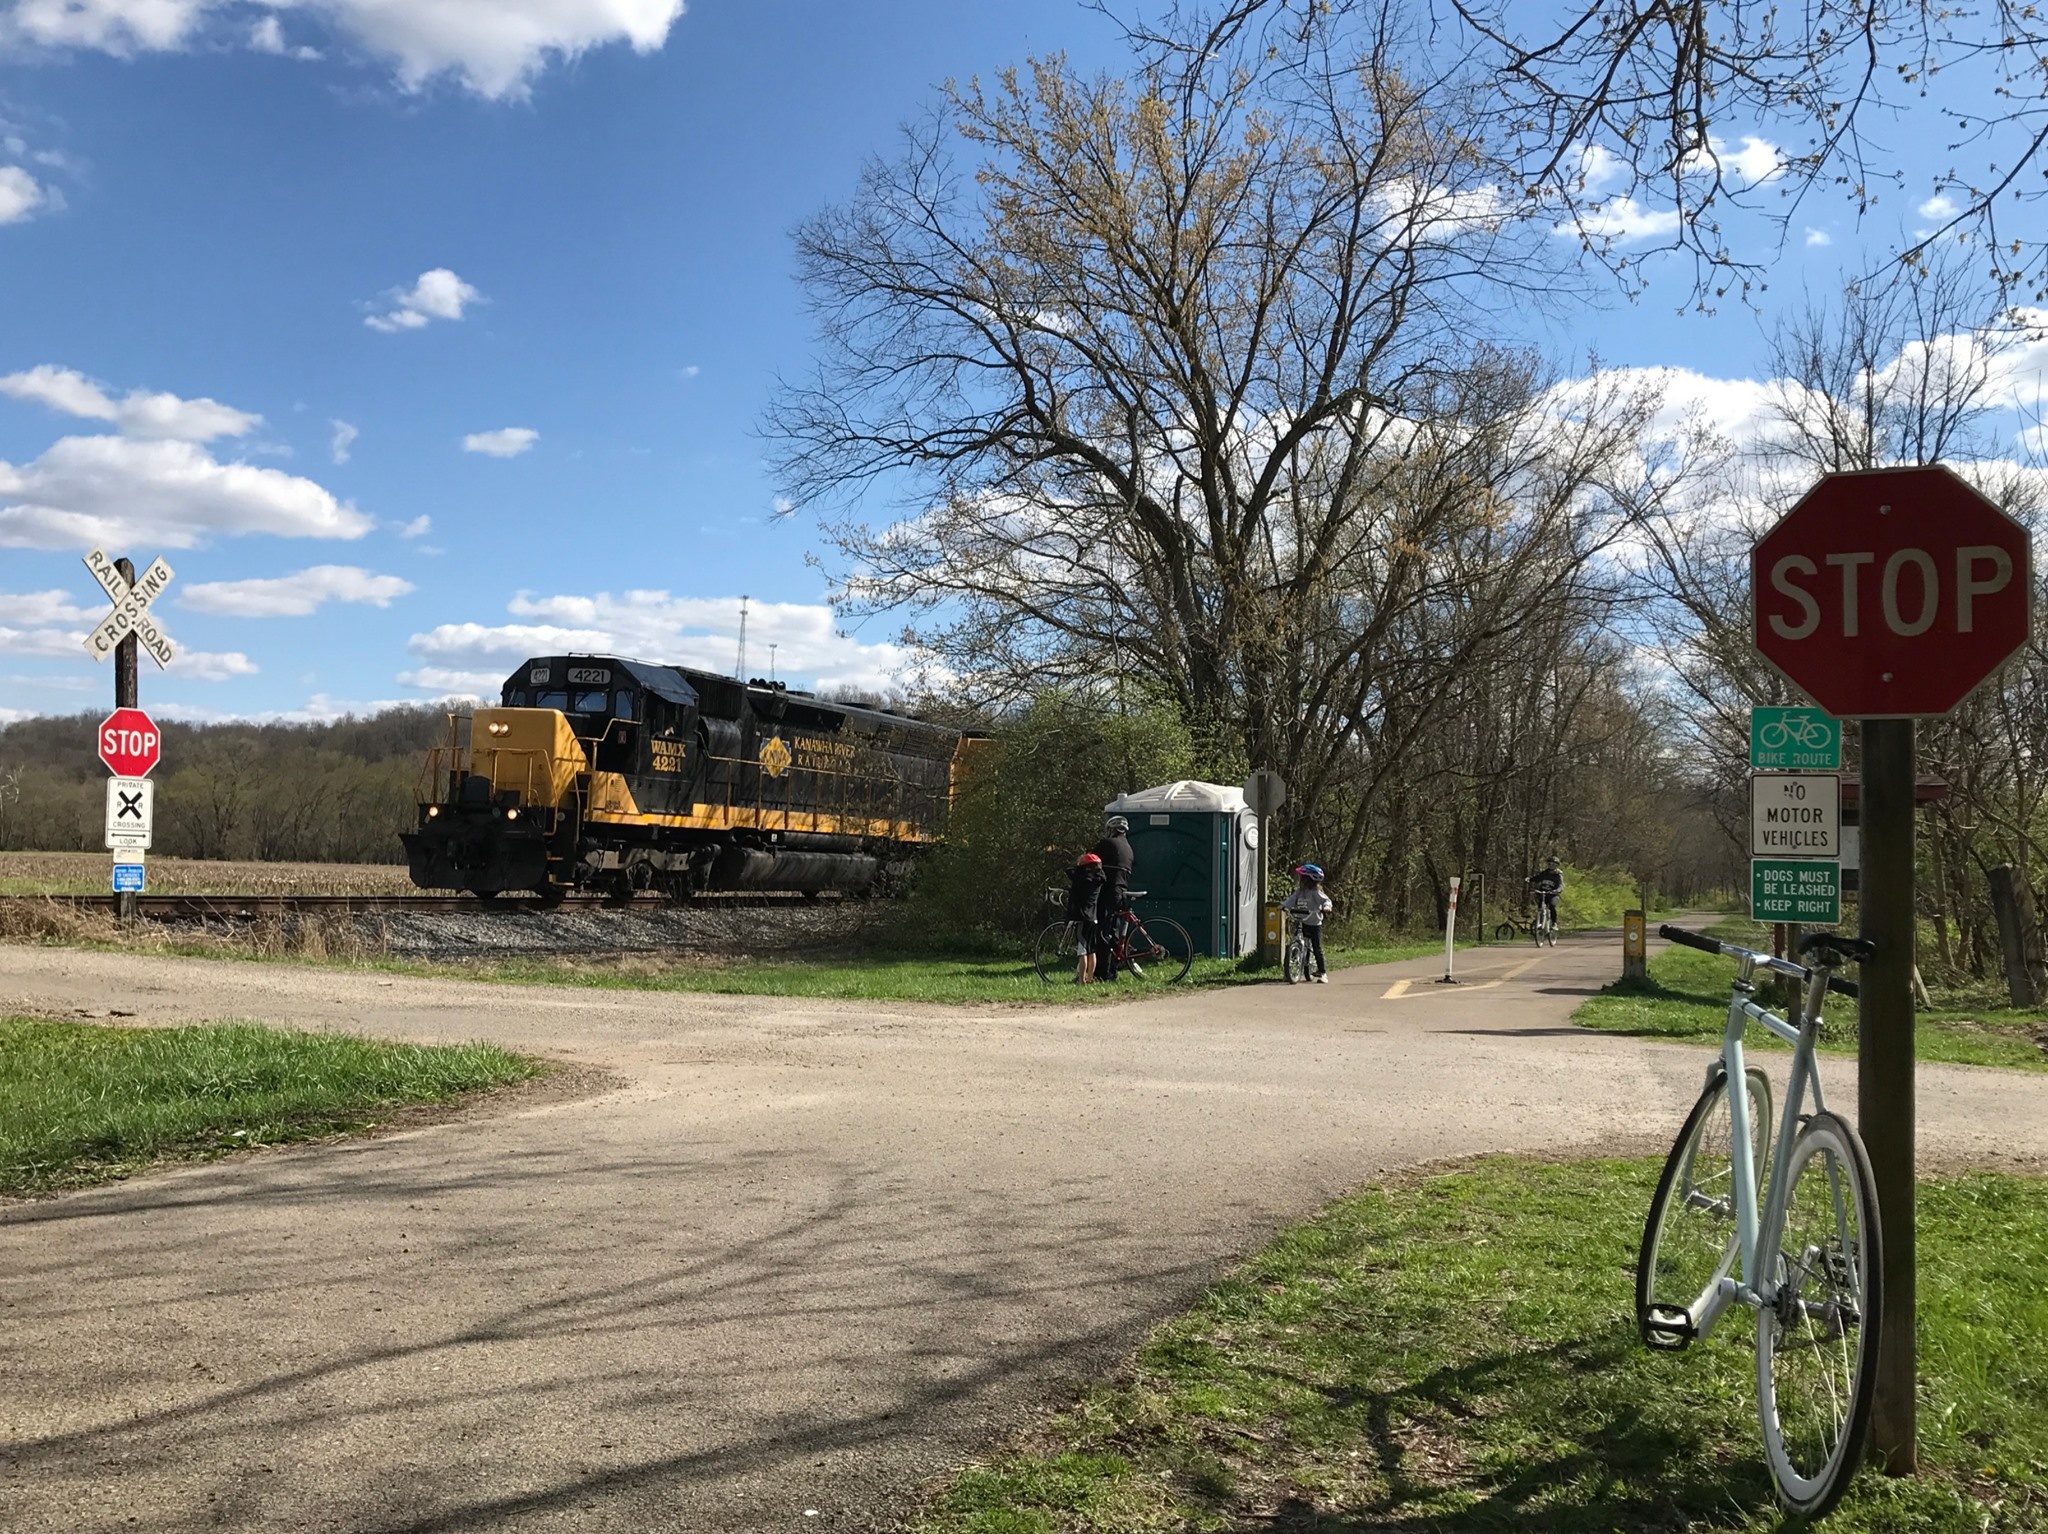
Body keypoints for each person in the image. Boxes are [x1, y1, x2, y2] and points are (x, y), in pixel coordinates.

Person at [1092, 814, 1134, 981]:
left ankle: (1102, 973)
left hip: (1109, 892)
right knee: (1114, 932)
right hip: (1121, 892)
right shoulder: (1128, 847)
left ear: (1111, 830)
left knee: (1102, 932)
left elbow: (1090, 860)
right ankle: (1112, 971)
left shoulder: (1107, 843)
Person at [1281, 862, 1334, 982]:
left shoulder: (1316, 893)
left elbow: (1326, 901)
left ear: (1310, 880)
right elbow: (1291, 899)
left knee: (1316, 948)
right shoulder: (1300, 892)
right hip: (1301, 920)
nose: (1301, 881)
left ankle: (1322, 972)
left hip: (1314, 924)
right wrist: (1284, 905)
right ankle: (1290, 970)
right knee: (1298, 942)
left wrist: (1326, 907)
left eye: (1303, 879)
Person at [1066, 851, 1105, 984]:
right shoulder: (1099, 880)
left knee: (1082, 950)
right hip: (1093, 918)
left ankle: (1082, 980)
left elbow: (1069, 871)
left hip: (1082, 918)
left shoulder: (1081, 879)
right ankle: (1090, 978)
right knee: (1092, 950)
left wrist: (1079, 865)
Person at [1527, 856, 1565, 931]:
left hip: (1552, 895)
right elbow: (1537, 878)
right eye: (1550, 864)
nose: (1551, 866)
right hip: (1543, 893)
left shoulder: (1558, 875)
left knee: (1551, 906)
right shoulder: (1544, 873)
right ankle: (1539, 922)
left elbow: (1561, 885)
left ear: (1556, 865)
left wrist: (1557, 890)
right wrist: (1530, 879)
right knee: (1540, 907)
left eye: (1553, 864)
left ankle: (1554, 923)